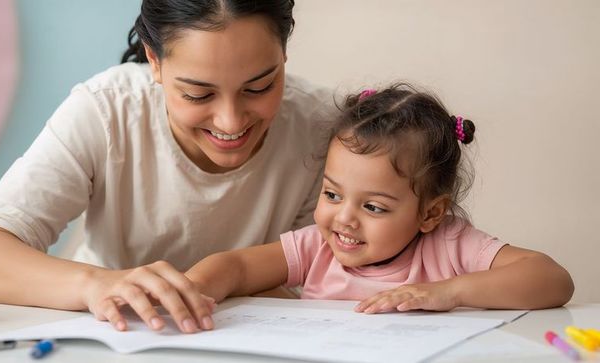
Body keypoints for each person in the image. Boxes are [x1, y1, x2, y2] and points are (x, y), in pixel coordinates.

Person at [0, 0, 334, 334]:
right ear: (154, 62)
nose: (231, 122)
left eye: (260, 87)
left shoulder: (323, 129)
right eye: (197, 94)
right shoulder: (108, 111)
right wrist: (96, 285)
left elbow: (338, 274)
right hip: (113, 337)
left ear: (284, 53)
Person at [184, 84, 574, 318]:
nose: (344, 219)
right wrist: (194, 288)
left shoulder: (448, 244)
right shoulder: (318, 247)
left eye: (374, 207)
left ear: (431, 213)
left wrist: (448, 291)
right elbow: (234, 266)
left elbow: (553, 280)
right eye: (332, 194)